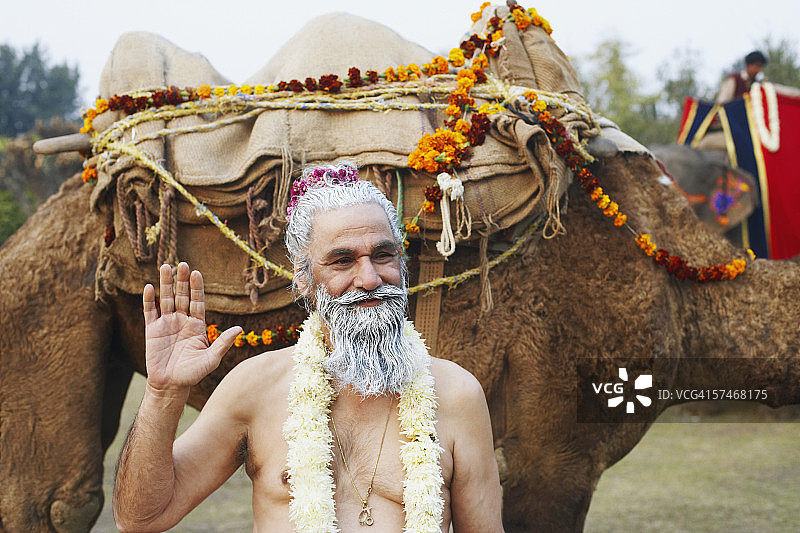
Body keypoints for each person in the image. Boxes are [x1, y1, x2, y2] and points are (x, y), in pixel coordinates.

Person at [112, 162, 505, 532]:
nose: (369, 278)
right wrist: (163, 394)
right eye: (342, 260)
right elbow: (141, 518)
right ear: (303, 279)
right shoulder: (256, 387)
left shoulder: (456, 394)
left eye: (383, 255)